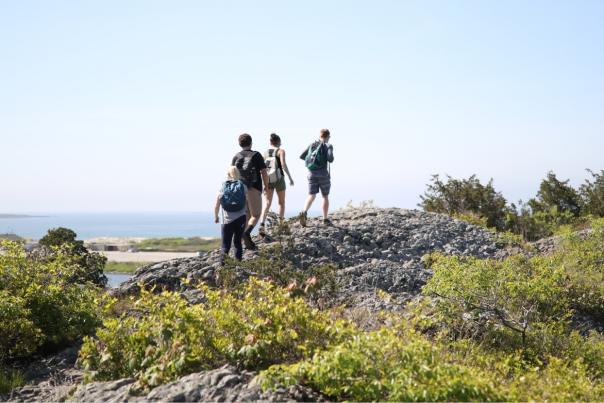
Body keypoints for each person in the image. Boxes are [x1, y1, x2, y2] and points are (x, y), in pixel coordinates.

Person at [231, 133, 269, 250]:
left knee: (247, 215)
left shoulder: (236, 156)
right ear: (251, 142)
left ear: (240, 144)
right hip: (253, 188)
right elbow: (263, 172)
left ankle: (242, 242)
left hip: (240, 189)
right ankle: (246, 234)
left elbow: (231, 173)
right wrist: (266, 186)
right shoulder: (256, 155)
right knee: (256, 214)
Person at [259, 133, 294, 236]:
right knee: (281, 203)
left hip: (267, 180)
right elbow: (283, 164)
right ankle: (281, 225)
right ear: (279, 142)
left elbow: (261, 168)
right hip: (279, 179)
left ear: (270, 142)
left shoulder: (264, 153)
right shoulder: (281, 151)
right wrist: (290, 178)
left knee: (267, 202)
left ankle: (262, 224)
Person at [299, 129, 334, 226]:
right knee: (325, 196)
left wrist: (312, 163)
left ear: (320, 136)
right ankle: (325, 219)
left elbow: (302, 156)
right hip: (323, 174)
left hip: (311, 173)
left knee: (311, 195)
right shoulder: (328, 145)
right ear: (328, 136)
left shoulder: (312, 145)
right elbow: (330, 159)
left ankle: (304, 212)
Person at [214, 166, 248, 261]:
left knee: (225, 245)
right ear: (238, 174)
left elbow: (217, 205)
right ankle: (238, 265)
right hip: (241, 218)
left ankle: (222, 267)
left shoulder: (223, 187)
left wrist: (216, 216)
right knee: (237, 242)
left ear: (228, 174)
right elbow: (247, 203)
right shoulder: (243, 186)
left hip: (226, 220)